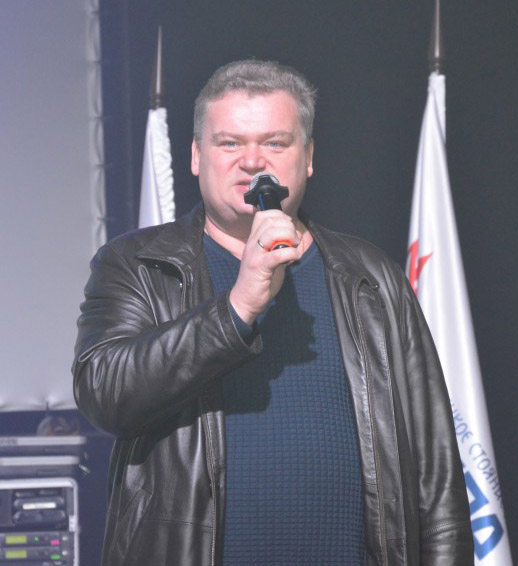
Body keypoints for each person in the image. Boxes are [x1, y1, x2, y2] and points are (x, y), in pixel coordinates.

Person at [73, 60, 473, 566]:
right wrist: (239, 305)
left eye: (275, 143)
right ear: (196, 156)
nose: (252, 162)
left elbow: (435, 469)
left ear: (308, 158)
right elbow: (105, 395)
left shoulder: (371, 277)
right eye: (229, 143)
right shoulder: (138, 264)